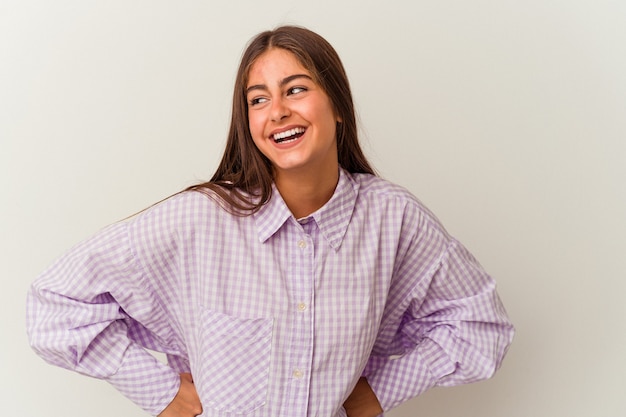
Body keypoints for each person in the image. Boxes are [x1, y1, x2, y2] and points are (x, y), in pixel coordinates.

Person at [26, 26, 514, 417]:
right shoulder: (200, 219)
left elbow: (481, 326)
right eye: (258, 99)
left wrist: (381, 391)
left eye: (296, 89)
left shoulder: (394, 218)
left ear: (338, 106)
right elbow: (55, 304)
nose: (277, 112)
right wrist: (161, 391)